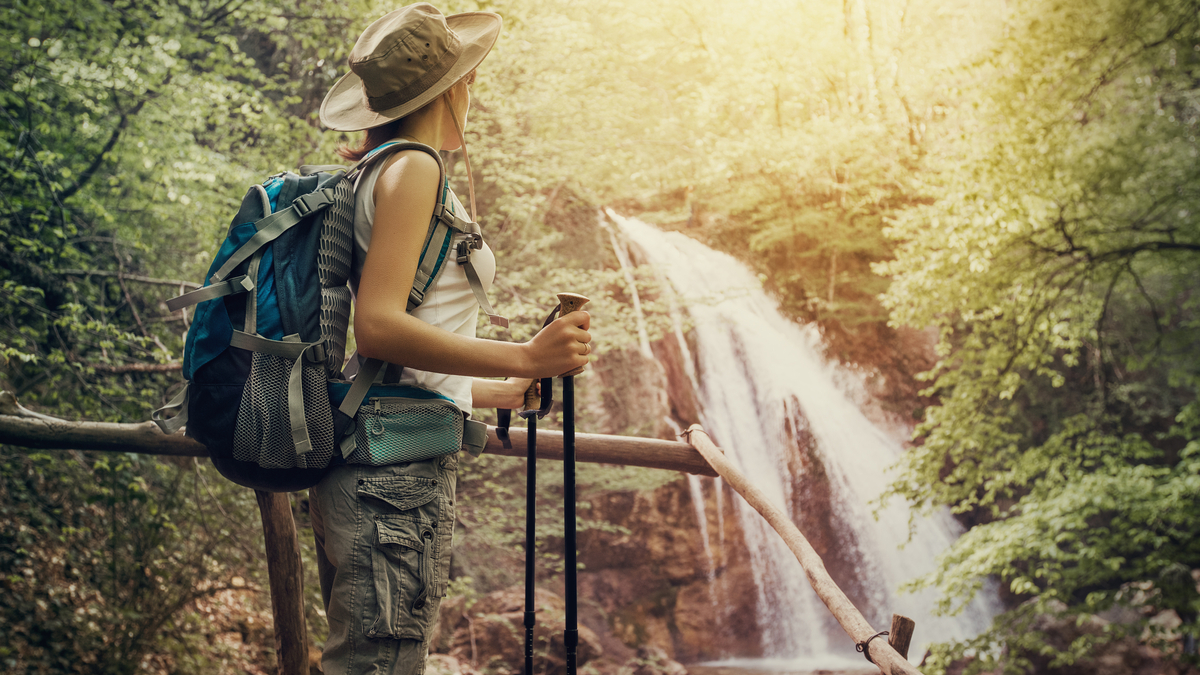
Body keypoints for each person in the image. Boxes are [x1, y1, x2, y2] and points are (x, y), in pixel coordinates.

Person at [309, 5, 592, 674]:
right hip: (393, 483)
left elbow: (401, 350)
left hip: (380, 465)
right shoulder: (417, 170)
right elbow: (378, 326)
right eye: (469, 77)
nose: (474, 88)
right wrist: (525, 354)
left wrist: (499, 386)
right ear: (448, 89)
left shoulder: (381, 168)